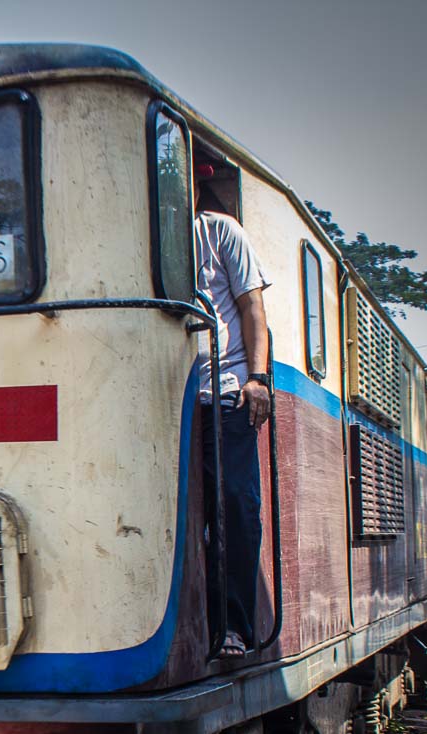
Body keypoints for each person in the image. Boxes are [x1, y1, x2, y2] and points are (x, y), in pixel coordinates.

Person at [194, 162, 270, 658]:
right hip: (165, 401)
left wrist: (258, 378)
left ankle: (233, 626)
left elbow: (252, 308)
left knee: (235, 509)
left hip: (223, 391)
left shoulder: (220, 230)